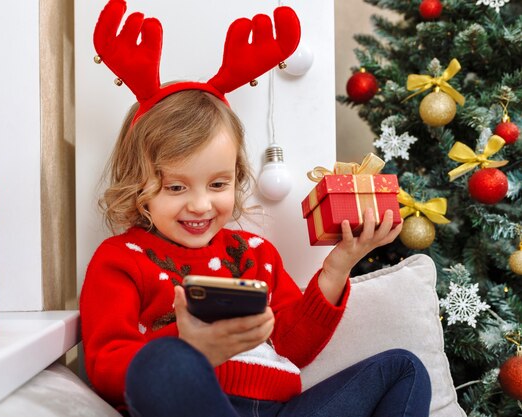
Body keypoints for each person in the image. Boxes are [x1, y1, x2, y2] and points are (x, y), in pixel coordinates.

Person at [81, 2, 431, 416]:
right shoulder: (120, 260)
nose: (200, 204)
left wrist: (339, 265)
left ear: (237, 177)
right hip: (197, 402)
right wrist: (193, 347)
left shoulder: (254, 253)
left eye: (218, 184)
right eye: (176, 186)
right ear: (140, 187)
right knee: (161, 365)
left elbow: (292, 348)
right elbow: (105, 367)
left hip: (279, 409)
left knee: (404, 369)